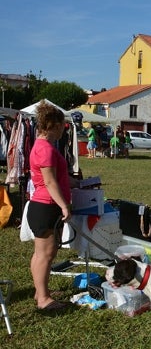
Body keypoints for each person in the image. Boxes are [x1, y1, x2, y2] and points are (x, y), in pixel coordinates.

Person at [29, 100, 77, 311]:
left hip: (44, 205)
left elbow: (57, 177)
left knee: (43, 253)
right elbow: (49, 182)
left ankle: (41, 291)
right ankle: (43, 299)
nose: (63, 131)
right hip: (46, 206)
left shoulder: (42, 146)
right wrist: (65, 206)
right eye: (62, 126)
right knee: (45, 254)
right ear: (55, 125)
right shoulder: (45, 148)